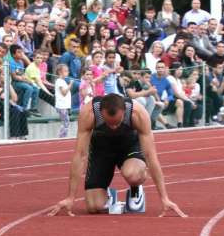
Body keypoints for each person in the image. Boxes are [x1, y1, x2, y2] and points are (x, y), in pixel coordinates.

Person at [48, 93, 186, 217]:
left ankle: (135, 189)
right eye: (109, 123)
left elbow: (150, 155)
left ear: (124, 112)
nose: (113, 127)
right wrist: (70, 197)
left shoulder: (137, 113)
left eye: (117, 123)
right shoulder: (89, 113)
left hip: (129, 146)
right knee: (94, 207)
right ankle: (108, 197)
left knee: (132, 174)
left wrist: (164, 198)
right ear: (101, 113)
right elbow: (80, 155)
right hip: (101, 148)